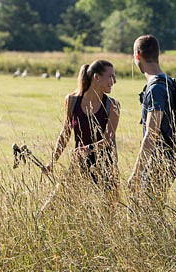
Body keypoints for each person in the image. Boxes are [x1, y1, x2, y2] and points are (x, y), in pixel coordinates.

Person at [44, 60, 120, 196]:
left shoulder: (113, 105)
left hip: (105, 167)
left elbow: (108, 140)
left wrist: (87, 149)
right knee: (55, 203)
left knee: (109, 214)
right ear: (96, 77)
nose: (114, 81)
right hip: (79, 164)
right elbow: (65, 133)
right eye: (110, 76)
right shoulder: (72, 100)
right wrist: (52, 162)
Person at [127, 35, 176, 200]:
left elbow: (152, 133)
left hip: (158, 161)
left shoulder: (155, 88)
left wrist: (137, 172)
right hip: (168, 159)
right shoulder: (168, 82)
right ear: (157, 54)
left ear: (138, 55)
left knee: (145, 213)